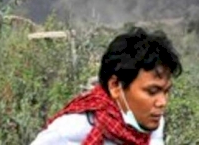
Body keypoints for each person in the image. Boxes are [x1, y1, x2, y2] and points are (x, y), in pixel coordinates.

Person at [31, 27, 183, 145]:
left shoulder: (151, 125)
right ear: (116, 86)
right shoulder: (68, 131)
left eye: (165, 91)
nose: (162, 102)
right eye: (152, 91)